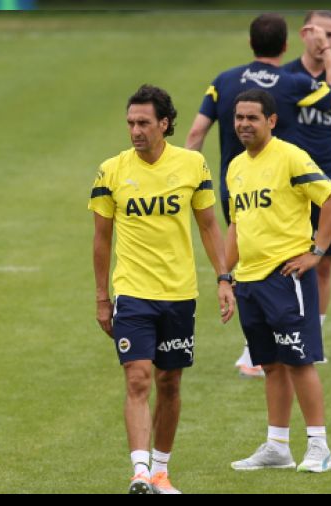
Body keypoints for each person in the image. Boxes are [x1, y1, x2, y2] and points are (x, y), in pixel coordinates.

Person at [90, 85, 236, 494]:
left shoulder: (192, 165)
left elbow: (208, 225)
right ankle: (139, 472)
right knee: (138, 379)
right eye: (130, 123)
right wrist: (102, 297)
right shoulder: (111, 171)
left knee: (169, 383)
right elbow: (102, 239)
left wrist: (224, 278)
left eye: (143, 123)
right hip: (133, 292)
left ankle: (160, 472)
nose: (135, 131)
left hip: (179, 294)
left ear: (165, 124)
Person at [185, 12, 331, 377]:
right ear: (286, 45)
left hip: (235, 186)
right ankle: (294, 345)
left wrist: (187, 182)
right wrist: (326, 52)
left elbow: (195, 134)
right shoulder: (292, 82)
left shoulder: (224, 81)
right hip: (285, 187)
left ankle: (253, 350)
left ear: (250, 42)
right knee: (287, 264)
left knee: (245, 260)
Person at [226, 89, 331, 474]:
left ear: (271, 121)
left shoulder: (291, 156)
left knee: (299, 361)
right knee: (271, 365)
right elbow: (236, 224)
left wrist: (317, 252)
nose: (243, 124)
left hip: (285, 277)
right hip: (248, 281)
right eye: (239, 117)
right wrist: (225, 276)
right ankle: (277, 446)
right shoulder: (235, 166)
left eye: (252, 118)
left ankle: (320, 447)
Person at [283, 10, 331, 343]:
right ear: (303, 33)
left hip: (330, 183)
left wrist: (329, 151)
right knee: (282, 259)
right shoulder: (285, 77)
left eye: (330, 35)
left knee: (323, 264)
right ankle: (279, 334)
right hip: (289, 185)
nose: (322, 40)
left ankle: (314, 338)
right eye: (316, 32)